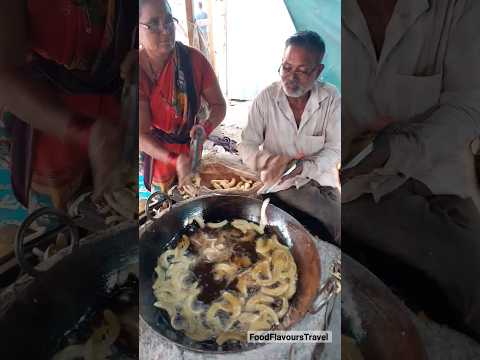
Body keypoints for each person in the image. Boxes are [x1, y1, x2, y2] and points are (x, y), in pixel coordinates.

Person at [342, 0, 480, 340]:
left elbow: (468, 110)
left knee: (464, 291)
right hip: (353, 191)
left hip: (437, 190)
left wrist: (392, 149)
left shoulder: (459, 8)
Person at [0, 0, 137, 212]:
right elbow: (4, 75)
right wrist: (85, 132)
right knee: (54, 236)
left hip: (114, 130)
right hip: (43, 125)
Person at [238, 31, 341, 244]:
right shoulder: (266, 99)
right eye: (286, 67)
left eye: (302, 71)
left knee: (331, 231)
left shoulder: (331, 99)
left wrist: (304, 167)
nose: (291, 78)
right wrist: (267, 161)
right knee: (262, 234)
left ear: (318, 71)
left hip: (321, 185)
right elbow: (246, 144)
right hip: (279, 186)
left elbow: (336, 149)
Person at [139, 0, 226, 192]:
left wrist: (205, 128)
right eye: (153, 24)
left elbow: (219, 105)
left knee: (193, 200)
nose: (165, 29)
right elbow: (141, 135)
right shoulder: (135, 72)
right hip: (159, 154)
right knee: (164, 206)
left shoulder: (194, 61)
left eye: (169, 20)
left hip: (191, 149)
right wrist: (174, 159)